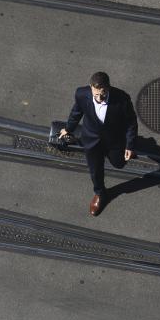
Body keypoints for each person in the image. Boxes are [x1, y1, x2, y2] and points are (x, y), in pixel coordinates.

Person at [59, 71, 138, 216]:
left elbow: (131, 122)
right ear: (91, 88)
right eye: (96, 95)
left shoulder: (122, 98)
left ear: (108, 88)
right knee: (95, 170)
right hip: (91, 139)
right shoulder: (81, 94)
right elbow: (76, 112)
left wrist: (130, 145)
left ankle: (113, 154)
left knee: (119, 163)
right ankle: (100, 194)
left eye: (103, 94)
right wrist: (68, 129)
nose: (100, 98)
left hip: (113, 140)